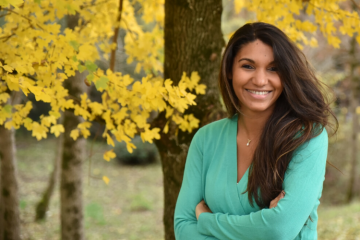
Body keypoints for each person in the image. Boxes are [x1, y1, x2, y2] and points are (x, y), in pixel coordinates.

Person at [174, 22, 337, 240]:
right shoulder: (205, 139)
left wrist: (207, 221)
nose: (260, 80)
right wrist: (262, 225)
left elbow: (278, 229)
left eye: (273, 68)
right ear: (230, 71)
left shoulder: (308, 137)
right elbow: (183, 228)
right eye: (248, 66)